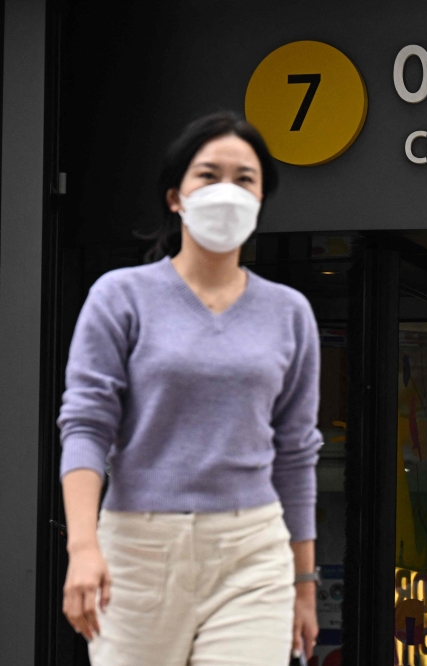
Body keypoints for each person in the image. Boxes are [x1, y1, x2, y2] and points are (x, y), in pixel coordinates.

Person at [58, 111, 323, 665]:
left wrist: (303, 583)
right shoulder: (120, 297)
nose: (227, 190)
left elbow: (296, 454)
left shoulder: (289, 312)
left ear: (260, 202)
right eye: (208, 175)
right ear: (175, 196)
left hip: (251, 549)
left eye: (245, 179)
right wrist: (82, 547)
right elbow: (86, 425)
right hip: (137, 547)